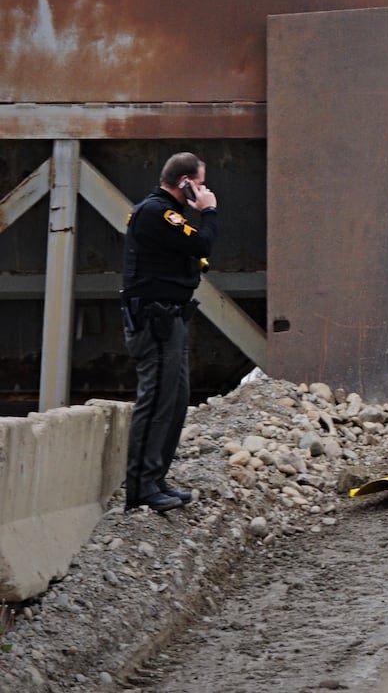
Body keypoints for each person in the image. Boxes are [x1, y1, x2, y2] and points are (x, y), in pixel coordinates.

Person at [121, 152, 219, 512]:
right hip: (154, 320)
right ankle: (140, 488)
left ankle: (155, 478)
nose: (204, 190)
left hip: (170, 319)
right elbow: (201, 243)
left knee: (176, 401)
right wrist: (207, 210)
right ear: (185, 183)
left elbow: (192, 246)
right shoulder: (156, 212)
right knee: (156, 403)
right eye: (200, 183)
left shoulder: (167, 214)